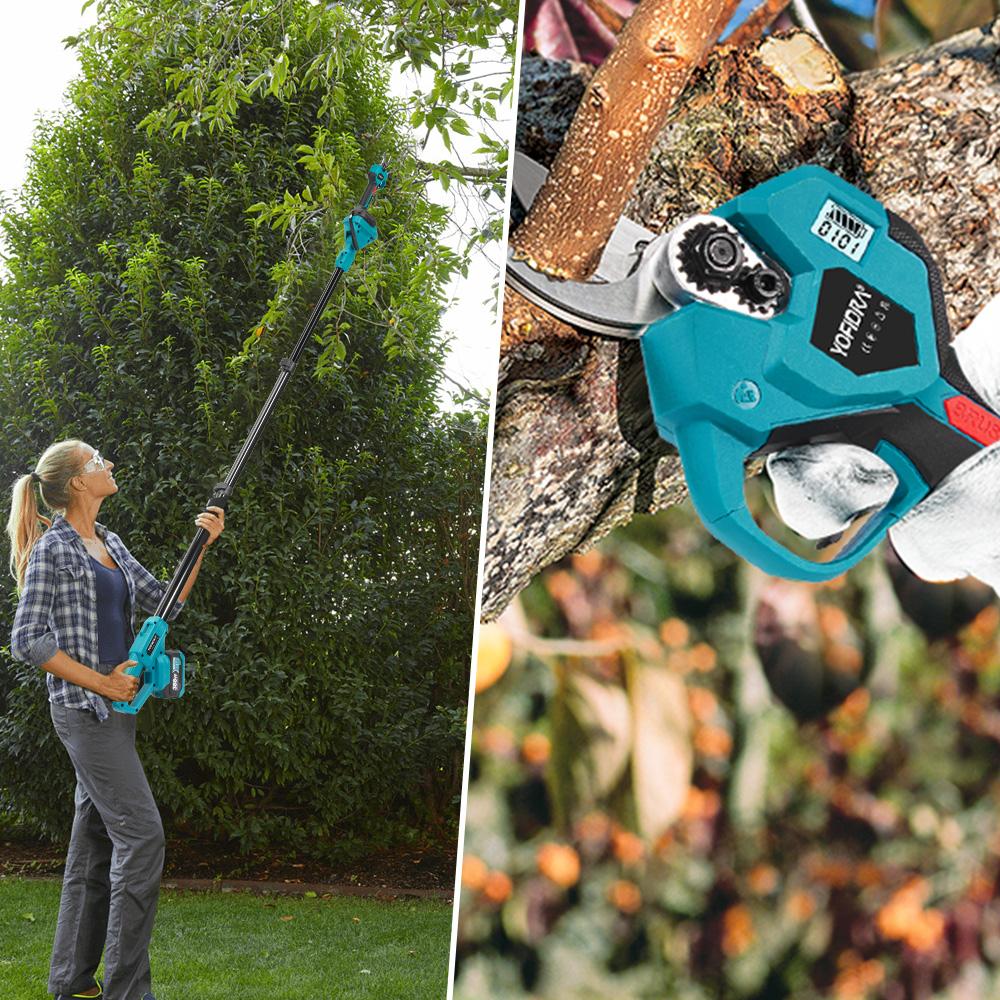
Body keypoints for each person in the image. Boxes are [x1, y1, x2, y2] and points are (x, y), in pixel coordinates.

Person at [6, 439, 225, 1000]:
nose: (108, 464)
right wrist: (101, 680)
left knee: (94, 844)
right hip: (84, 711)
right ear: (78, 482)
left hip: (118, 713)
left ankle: (70, 982)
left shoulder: (109, 541)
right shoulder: (54, 549)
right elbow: (27, 639)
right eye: (97, 460)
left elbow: (167, 602)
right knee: (142, 836)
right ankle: (128, 992)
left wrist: (203, 543)